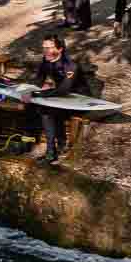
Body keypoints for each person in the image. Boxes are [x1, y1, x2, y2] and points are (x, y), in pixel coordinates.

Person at [22, 33, 91, 164]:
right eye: (44, 48)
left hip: (77, 102)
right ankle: (27, 142)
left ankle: (51, 153)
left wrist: (36, 94)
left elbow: (63, 90)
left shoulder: (70, 66)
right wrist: (30, 91)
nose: (46, 51)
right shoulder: (46, 61)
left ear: (60, 49)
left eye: (50, 48)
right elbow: (38, 81)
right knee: (29, 105)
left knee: (46, 111)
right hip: (61, 98)